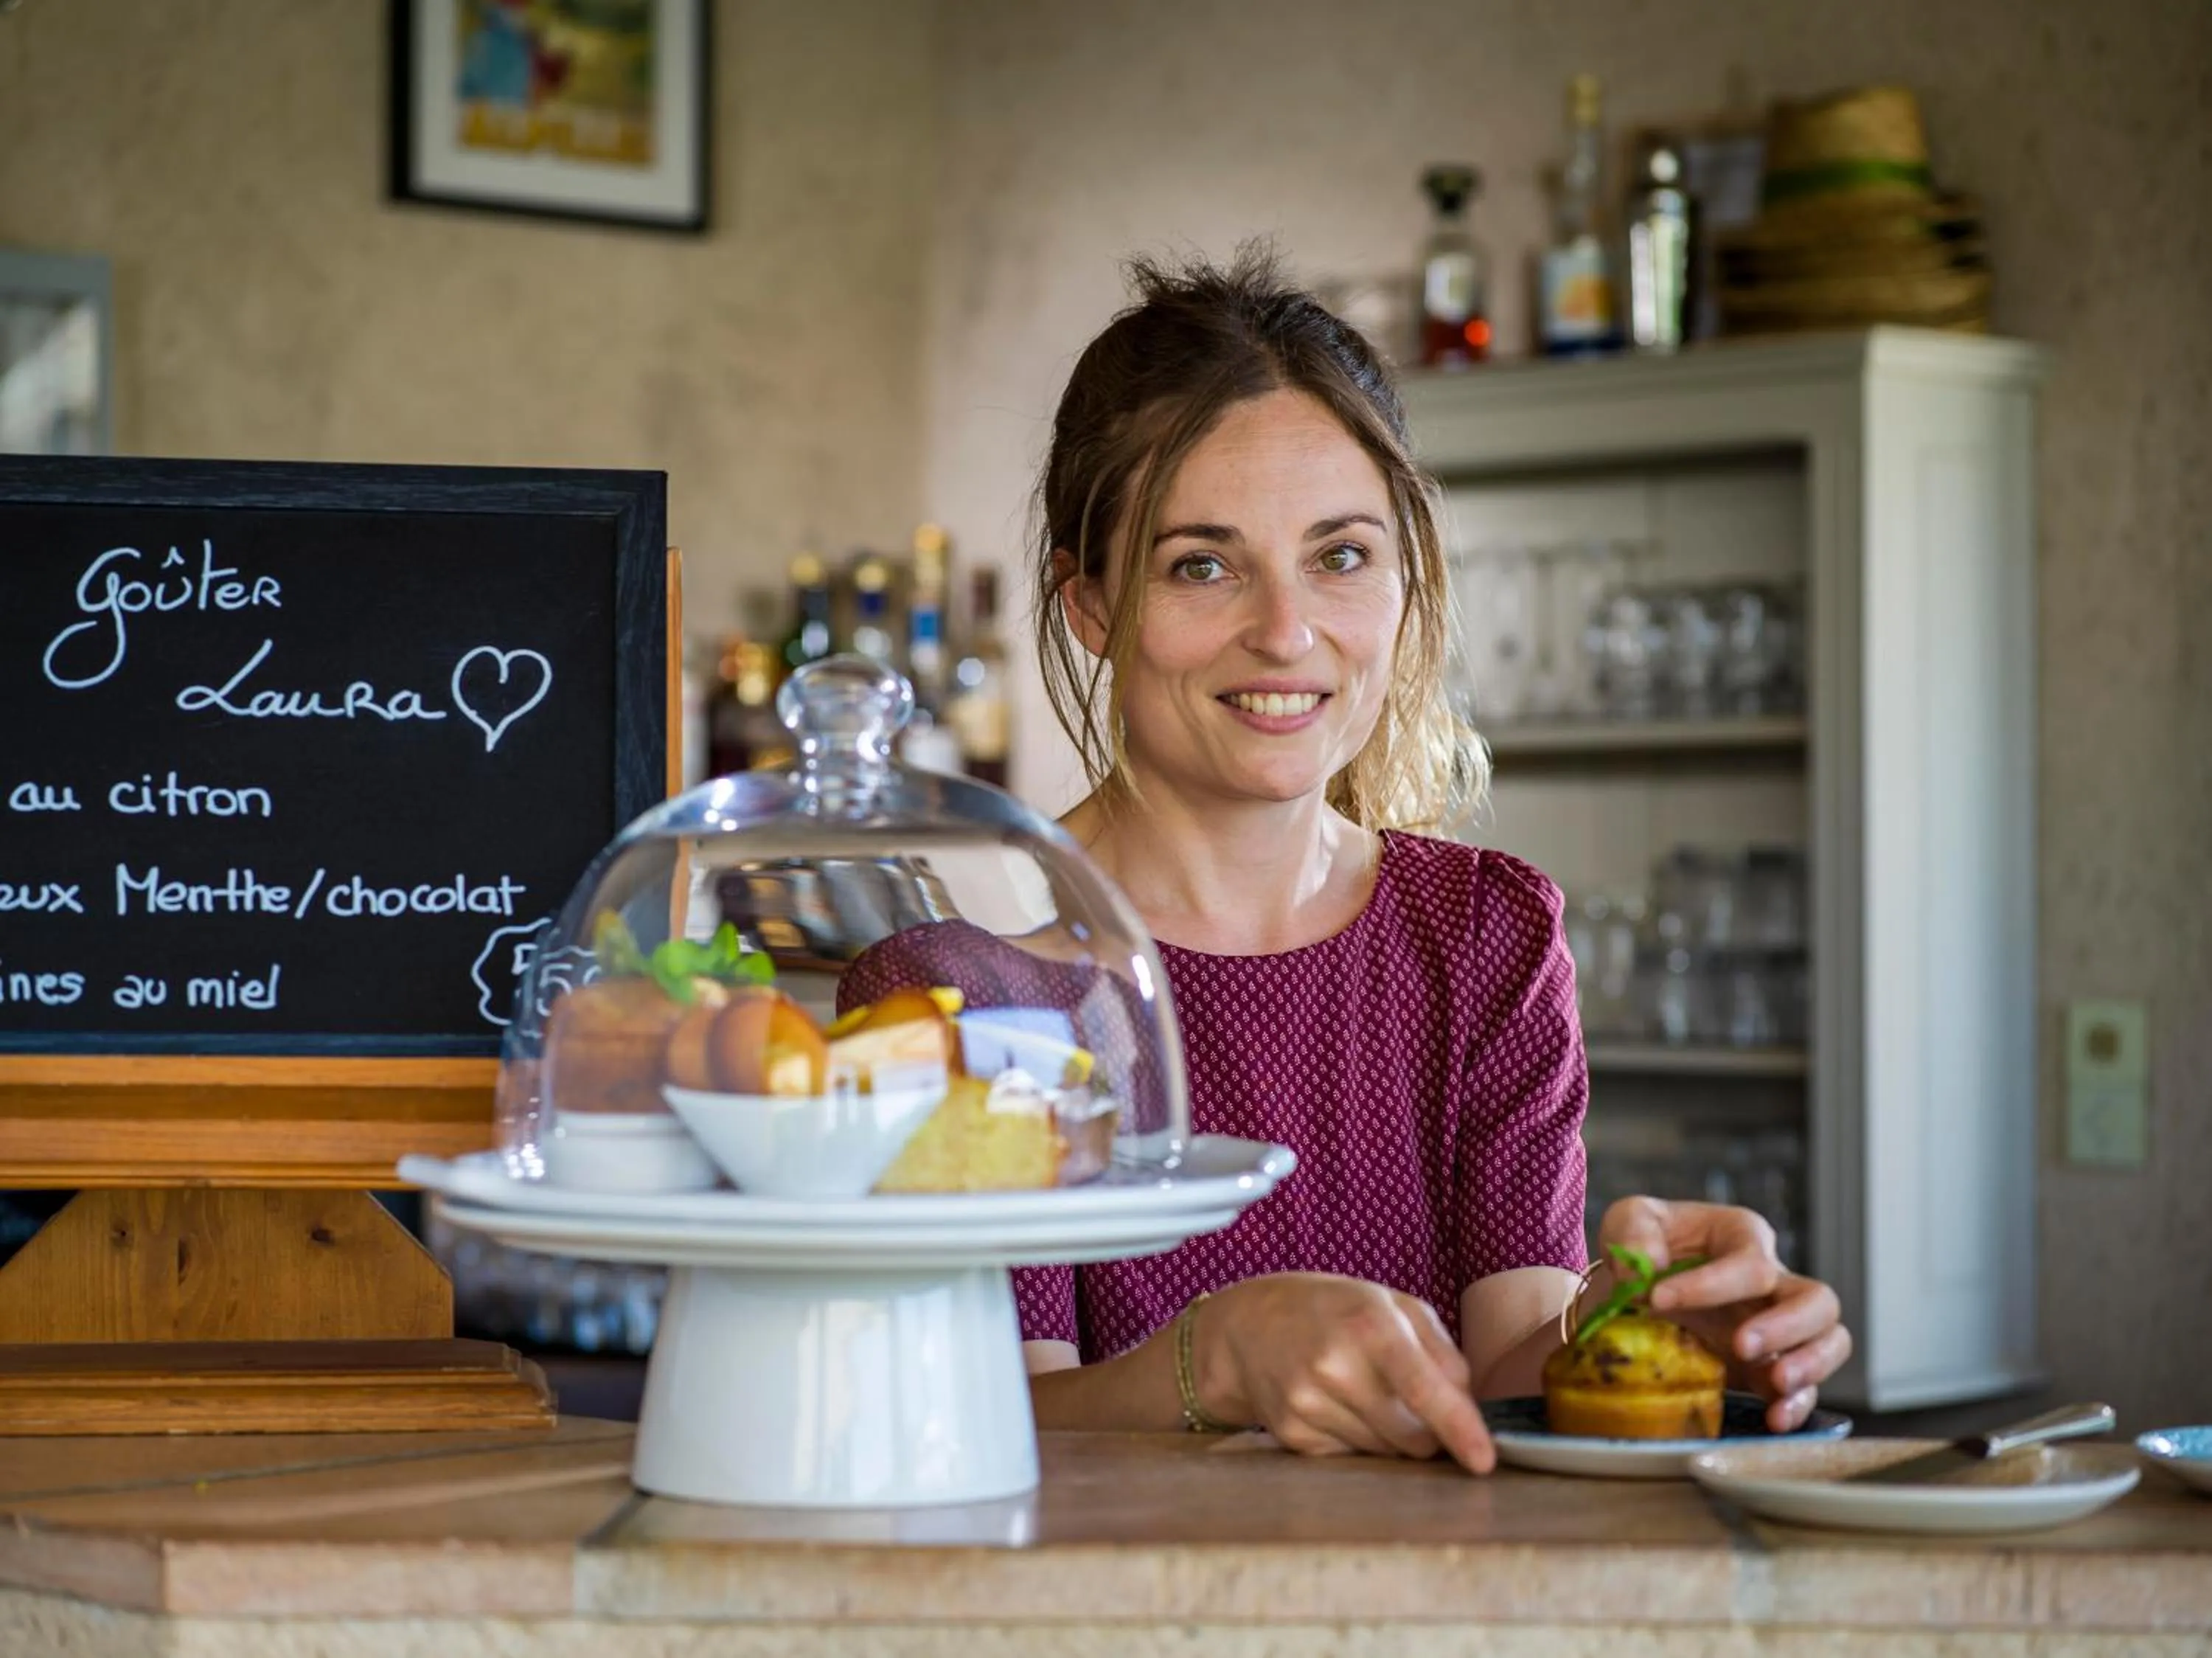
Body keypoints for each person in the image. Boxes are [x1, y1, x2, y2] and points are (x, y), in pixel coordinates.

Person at [840, 248, 1849, 1473]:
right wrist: (1216, 1359)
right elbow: (976, 1428)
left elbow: (1505, 1374)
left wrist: (1647, 1329)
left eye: (1341, 556)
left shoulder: (1484, 936)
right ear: (1090, 605)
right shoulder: (966, 984)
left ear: (1404, 578)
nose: (1286, 632)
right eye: (1203, 564)